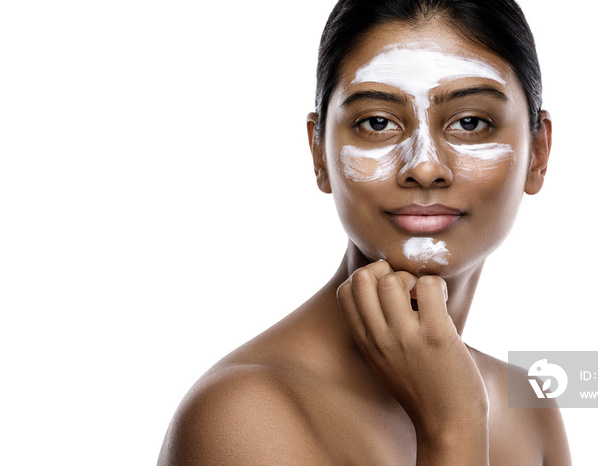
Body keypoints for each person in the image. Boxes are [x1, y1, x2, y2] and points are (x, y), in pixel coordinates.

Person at [158, 0, 571, 464]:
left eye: (470, 122)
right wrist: (452, 426)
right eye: (378, 123)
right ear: (319, 153)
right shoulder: (242, 415)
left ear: (538, 152)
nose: (425, 167)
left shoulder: (529, 406)